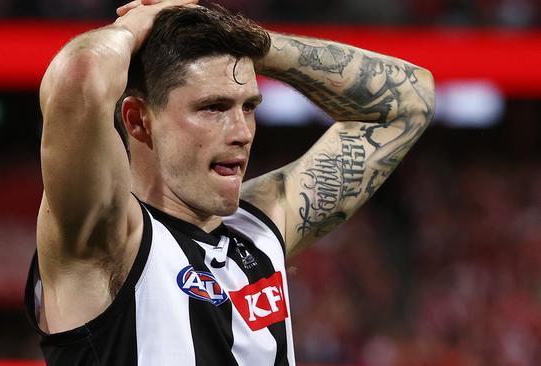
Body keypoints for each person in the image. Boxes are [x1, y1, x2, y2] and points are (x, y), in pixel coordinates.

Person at [24, 0, 435, 364]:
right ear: (137, 120)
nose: (242, 131)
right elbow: (79, 78)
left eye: (249, 107)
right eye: (214, 107)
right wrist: (138, 25)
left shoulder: (258, 230)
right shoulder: (107, 239)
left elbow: (408, 104)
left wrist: (247, 41)